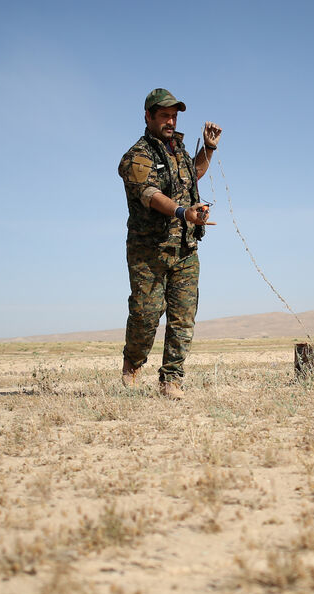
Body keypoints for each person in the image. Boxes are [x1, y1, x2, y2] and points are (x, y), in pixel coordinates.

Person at [117, 88, 222, 399]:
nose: (171, 121)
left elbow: (194, 174)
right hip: (148, 252)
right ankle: (133, 362)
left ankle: (171, 379)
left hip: (185, 250)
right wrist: (182, 211)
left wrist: (210, 149)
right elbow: (149, 194)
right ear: (148, 116)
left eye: (174, 115)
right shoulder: (136, 156)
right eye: (164, 115)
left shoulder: (178, 151)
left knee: (183, 316)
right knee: (146, 315)